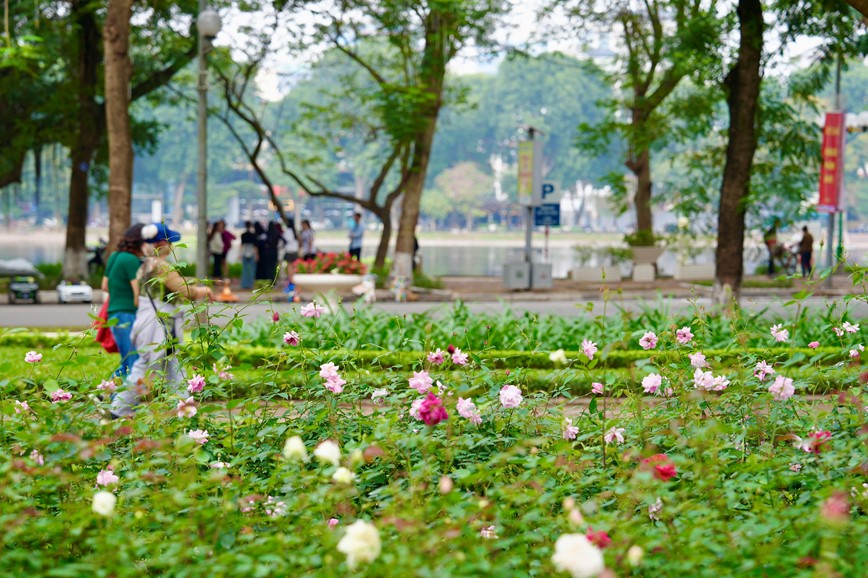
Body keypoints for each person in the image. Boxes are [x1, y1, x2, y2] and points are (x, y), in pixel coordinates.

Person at [110, 223, 212, 418]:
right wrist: (205, 290)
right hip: (160, 326)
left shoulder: (145, 265)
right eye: (170, 243)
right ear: (161, 244)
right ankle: (118, 410)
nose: (172, 247)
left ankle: (186, 412)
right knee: (147, 369)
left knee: (173, 368)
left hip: (150, 322)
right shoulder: (159, 266)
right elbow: (185, 290)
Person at [101, 223, 144, 377]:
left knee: (127, 361)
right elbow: (137, 296)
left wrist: (119, 290)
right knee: (134, 362)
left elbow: (105, 286)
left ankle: (105, 393)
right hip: (128, 315)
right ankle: (127, 399)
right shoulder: (132, 261)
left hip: (113, 315)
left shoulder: (114, 256)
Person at [239, 221, 258, 289]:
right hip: (252, 252)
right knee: (252, 270)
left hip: (244, 252)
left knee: (245, 270)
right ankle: (250, 284)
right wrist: (257, 255)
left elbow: (242, 245)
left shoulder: (243, 235)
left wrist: (240, 254)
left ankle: (244, 284)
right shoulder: (253, 235)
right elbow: (255, 246)